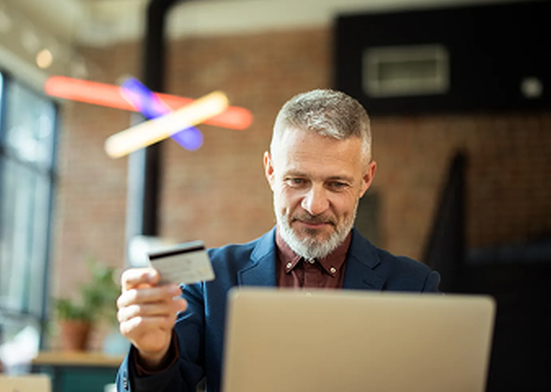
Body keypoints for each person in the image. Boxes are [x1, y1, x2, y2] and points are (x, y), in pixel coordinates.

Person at [115, 89, 440, 392]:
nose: (314, 205)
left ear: (365, 179)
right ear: (271, 171)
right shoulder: (208, 278)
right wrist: (152, 355)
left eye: (337, 184)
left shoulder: (415, 286)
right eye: (297, 180)